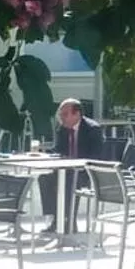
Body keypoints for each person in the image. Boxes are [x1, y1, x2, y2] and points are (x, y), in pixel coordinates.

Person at [40, 98, 105, 235]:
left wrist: (75, 163)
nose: (61, 118)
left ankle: (69, 222)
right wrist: (42, 153)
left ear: (77, 114)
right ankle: (56, 219)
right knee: (45, 178)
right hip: (66, 170)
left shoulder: (92, 129)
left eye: (64, 114)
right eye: (60, 114)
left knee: (69, 181)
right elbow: (58, 150)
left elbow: (96, 156)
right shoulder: (62, 129)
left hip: (86, 172)